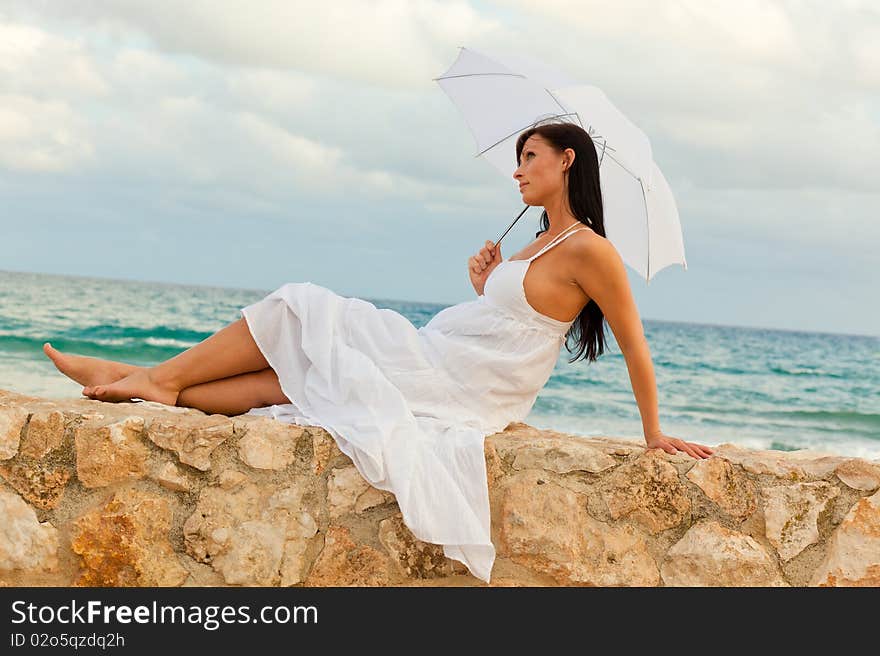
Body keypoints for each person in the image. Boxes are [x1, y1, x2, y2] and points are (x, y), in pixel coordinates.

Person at [42, 121, 712, 583]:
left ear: (566, 160)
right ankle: (152, 386)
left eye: (530, 156)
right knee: (295, 375)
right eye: (517, 158)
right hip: (443, 353)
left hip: (461, 385)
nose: (518, 170)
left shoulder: (591, 249)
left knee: (298, 304)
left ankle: (151, 378)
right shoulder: (538, 240)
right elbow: (512, 316)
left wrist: (652, 431)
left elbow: (632, 342)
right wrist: (486, 283)